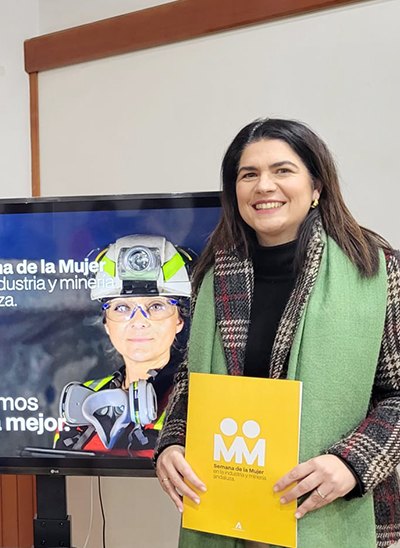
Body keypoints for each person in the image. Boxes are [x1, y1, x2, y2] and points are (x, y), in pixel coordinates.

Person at [154, 118, 400, 548]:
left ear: (316, 185)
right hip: (229, 514)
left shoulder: (376, 271)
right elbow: (191, 384)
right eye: (248, 175)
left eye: (282, 170)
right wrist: (172, 444)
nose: (264, 186)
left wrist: (352, 463)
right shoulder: (212, 276)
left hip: (332, 510)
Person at [55, 235, 192, 457]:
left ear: (179, 321)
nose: (138, 321)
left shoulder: (199, 402)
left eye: (156, 306)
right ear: (106, 324)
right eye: (121, 308)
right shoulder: (81, 402)